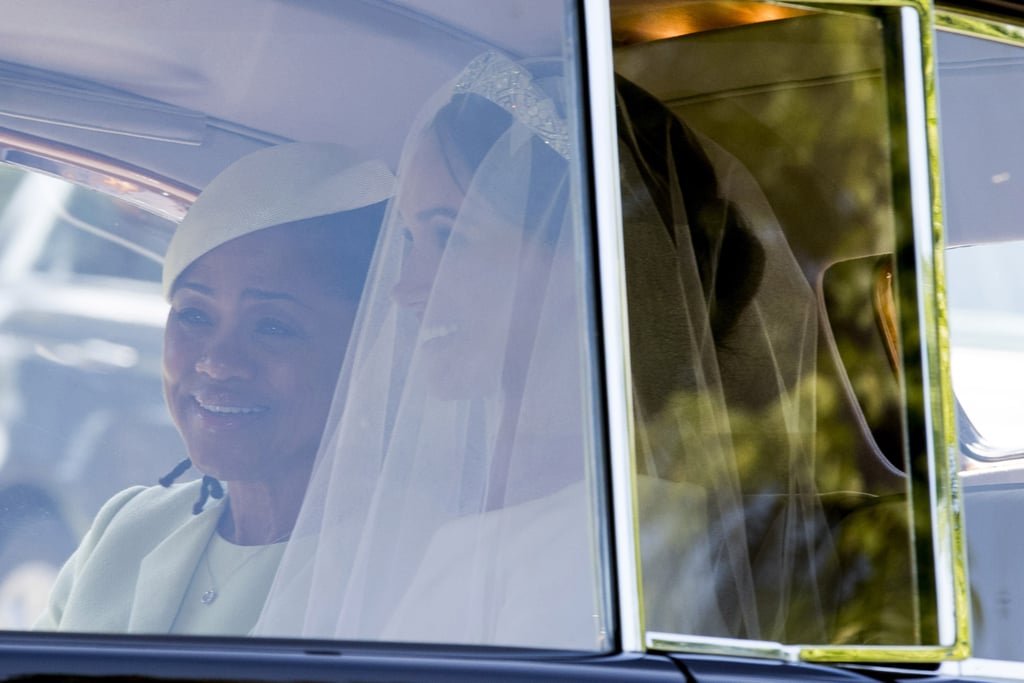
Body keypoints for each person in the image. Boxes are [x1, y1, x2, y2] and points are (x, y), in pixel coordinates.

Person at [255, 50, 833, 648]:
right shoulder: (436, 502)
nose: (404, 288)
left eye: (449, 238)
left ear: (578, 260)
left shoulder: (624, 543)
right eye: (410, 239)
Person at [34, 142, 394, 635]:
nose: (218, 363)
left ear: (371, 348)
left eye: (272, 327)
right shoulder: (126, 528)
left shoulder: (407, 563)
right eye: (195, 315)